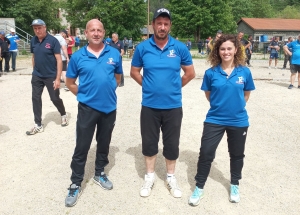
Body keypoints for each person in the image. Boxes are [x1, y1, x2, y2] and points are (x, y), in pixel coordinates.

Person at [130, 8, 195, 198]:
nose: (162, 27)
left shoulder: (180, 48)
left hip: (173, 105)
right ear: (153, 24)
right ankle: (149, 176)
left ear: (170, 26)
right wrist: (148, 86)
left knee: (172, 143)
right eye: (159, 23)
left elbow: (190, 73)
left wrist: (175, 87)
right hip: (150, 105)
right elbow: (134, 72)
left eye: (166, 23)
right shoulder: (143, 47)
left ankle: (170, 176)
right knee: (149, 142)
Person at [188, 34, 255, 206]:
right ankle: (199, 187)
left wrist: (235, 107)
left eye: (229, 48)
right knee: (206, 153)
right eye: (222, 49)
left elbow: (246, 95)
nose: (226, 52)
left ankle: (234, 184)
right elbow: (208, 95)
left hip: (238, 121)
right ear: (217, 51)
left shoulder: (244, 72)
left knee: (237, 154)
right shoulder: (211, 73)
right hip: (215, 119)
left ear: (236, 50)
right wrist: (220, 106)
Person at [64, 19, 123, 207]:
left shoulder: (114, 53)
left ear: (104, 32)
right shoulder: (78, 56)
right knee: (82, 146)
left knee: (104, 143)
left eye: (99, 30)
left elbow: (118, 77)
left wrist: (108, 90)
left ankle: (99, 173)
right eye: (92, 30)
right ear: (86, 33)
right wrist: (84, 96)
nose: (96, 33)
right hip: (87, 108)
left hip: (109, 108)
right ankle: (75, 182)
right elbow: (70, 82)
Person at [26, 19, 69, 135]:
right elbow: (34, 57)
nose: (37, 30)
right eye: (35, 28)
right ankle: (38, 124)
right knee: (35, 98)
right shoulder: (33, 40)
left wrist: (58, 78)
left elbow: (59, 60)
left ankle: (63, 114)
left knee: (55, 98)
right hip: (37, 76)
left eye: (39, 27)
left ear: (45, 27)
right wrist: (34, 70)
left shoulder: (53, 41)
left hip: (51, 76)